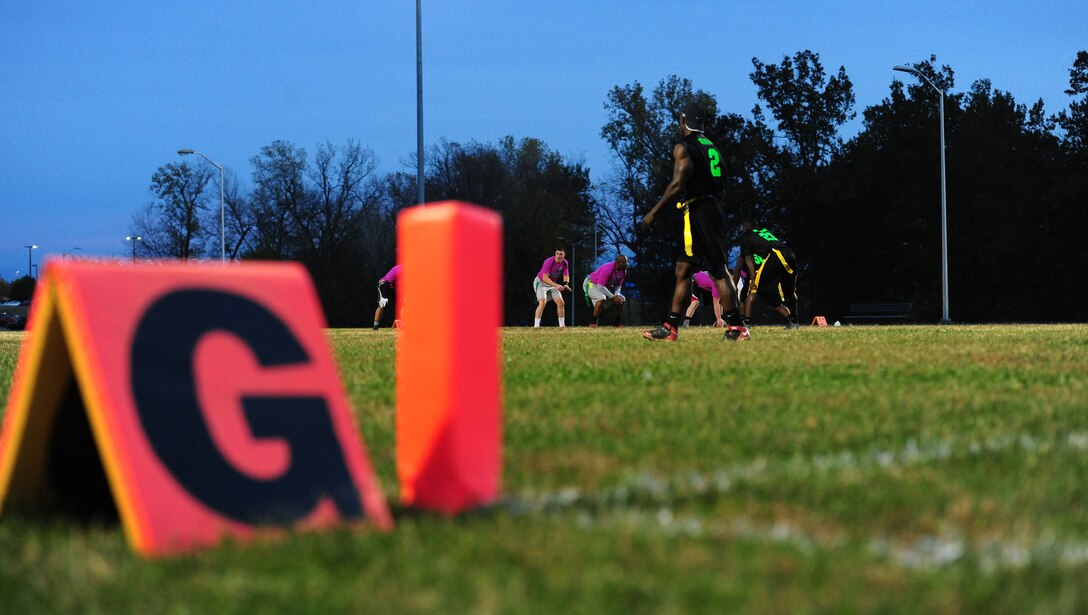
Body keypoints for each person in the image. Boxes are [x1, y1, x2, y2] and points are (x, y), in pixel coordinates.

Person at [639, 102, 748, 342]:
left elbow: (678, 183)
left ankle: (737, 327)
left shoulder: (684, 146)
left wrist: (653, 212)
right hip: (713, 208)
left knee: (718, 270)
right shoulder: (713, 147)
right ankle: (671, 327)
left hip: (698, 210)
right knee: (684, 268)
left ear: (684, 120)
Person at [737, 218, 799, 328]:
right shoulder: (764, 231)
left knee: (754, 288)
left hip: (775, 256)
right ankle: (794, 321)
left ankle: (746, 323)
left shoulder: (746, 236)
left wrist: (753, 277)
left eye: (743, 227)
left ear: (746, 227)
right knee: (790, 291)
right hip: (789, 254)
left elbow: (748, 259)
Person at [583, 254, 628, 327]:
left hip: (603, 286)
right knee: (601, 298)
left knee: (622, 299)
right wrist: (613, 297)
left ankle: (617, 323)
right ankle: (592, 322)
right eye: (625, 263)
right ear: (618, 263)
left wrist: (617, 295)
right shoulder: (607, 269)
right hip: (591, 283)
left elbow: (618, 286)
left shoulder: (623, 272)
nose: (626, 264)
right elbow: (600, 286)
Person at [533, 247, 571, 327]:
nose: (558, 256)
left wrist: (566, 284)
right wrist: (556, 285)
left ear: (564, 255)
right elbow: (545, 278)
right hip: (541, 282)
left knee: (561, 302)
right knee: (543, 302)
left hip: (552, 284)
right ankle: (536, 326)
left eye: (561, 254)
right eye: (557, 254)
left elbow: (566, 274)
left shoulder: (565, 263)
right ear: (555, 254)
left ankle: (562, 326)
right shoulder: (549, 261)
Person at [373, 263, 401, 330]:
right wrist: (384, 297)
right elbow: (386, 283)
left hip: (395, 287)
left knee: (404, 304)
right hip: (384, 285)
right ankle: (375, 326)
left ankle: (404, 324)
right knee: (382, 304)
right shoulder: (398, 269)